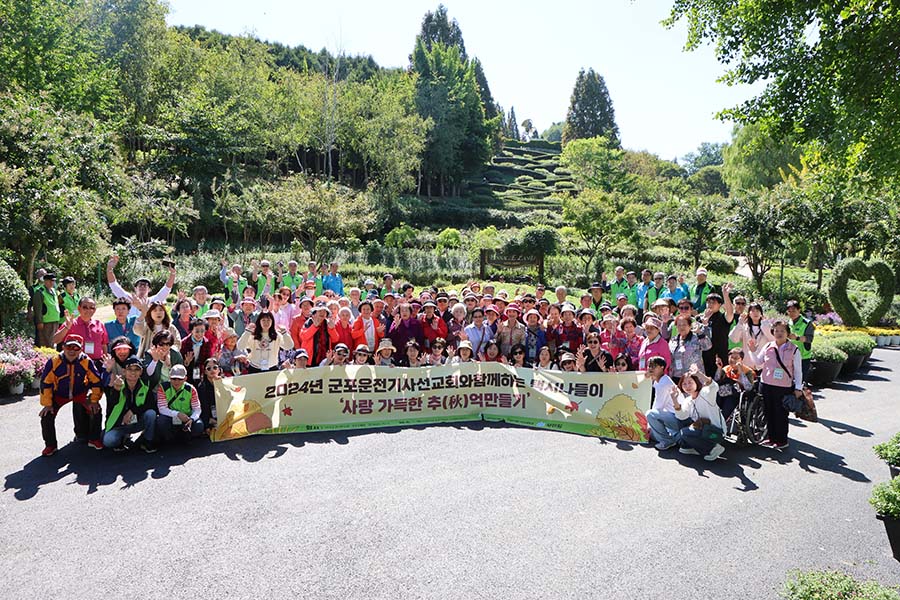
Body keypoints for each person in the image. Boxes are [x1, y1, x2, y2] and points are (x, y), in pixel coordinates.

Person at [38, 334, 105, 455]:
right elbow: (45, 383)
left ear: (81, 349)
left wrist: (94, 400)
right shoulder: (54, 362)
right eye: (69, 347)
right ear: (63, 347)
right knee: (46, 416)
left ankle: (94, 439)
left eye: (76, 348)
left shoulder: (86, 361)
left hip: (81, 393)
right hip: (59, 395)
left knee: (96, 410)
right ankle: (51, 445)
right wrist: (47, 404)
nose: (72, 351)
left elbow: (96, 381)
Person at [750, 320, 806, 450]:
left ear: (787, 333)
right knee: (768, 412)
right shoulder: (768, 346)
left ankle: (782, 440)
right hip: (766, 384)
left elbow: (798, 370)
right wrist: (753, 351)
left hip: (783, 387)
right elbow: (758, 362)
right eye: (776, 331)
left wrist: (798, 387)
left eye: (782, 331)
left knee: (780, 414)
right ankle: (771, 438)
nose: (779, 333)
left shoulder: (794, 349)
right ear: (773, 332)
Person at [102, 356, 157, 453]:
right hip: (121, 424)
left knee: (151, 413)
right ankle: (122, 438)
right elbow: (111, 404)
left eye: (137, 369)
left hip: (138, 422)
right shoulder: (117, 383)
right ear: (124, 371)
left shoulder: (145, 385)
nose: (133, 372)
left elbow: (151, 405)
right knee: (108, 441)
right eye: (129, 369)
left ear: (140, 372)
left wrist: (133, 411)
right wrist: (116, 390)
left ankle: (147, 441)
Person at [673, 365, 726, 461]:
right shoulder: (688, 400)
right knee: (681, 425)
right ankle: (689, 446)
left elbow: (714, 386)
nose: (687, 386)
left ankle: (713, 448)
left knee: (684, 433)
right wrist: (674, 400)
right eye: (684, 384)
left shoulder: (705, 393)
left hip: (716, 433)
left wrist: (699, 374)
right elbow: (681, 416)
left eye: (690, 382)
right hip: (704, 430)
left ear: (696, 382)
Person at [106, 254, 176, 318]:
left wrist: (173, 273)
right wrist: (109, 269)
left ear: (149, 289)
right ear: (135, 289)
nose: (142, 287)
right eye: (140, 285)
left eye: (145, 285)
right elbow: (114, 285)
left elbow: (167, 288)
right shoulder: (128, 299)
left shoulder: (154, 300)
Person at [155, 364, 204, 444]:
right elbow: (162, 408)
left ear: (185, 378)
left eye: (180, 379)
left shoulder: (191, 389)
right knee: (161, 421)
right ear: (169, 378)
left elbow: (197, 408)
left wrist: (191, 419)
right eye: (174, 378)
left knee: (199, 425)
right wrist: (177, 414)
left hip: (187, 418)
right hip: (171, 417)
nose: (176, 381)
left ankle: (186, 436)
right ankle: (171, 439)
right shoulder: (162, 388)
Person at [644, 356, 684, 450]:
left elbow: (658, 408)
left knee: (650, 415)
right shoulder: (659, 380)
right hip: (672, 418)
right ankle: (673, 437)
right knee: (650, 433)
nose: (650, 368)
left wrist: (649, 425)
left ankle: (667, 441)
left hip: (679, 419)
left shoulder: (664, 383)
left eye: (653, 366)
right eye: (649, 366)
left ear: (662, 367)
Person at [52, 297, 108, 363]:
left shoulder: (99, 324)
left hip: (97, 363)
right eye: (85, 307)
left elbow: (104, 344)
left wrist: (105, 359)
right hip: (77, 364)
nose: (88, 310)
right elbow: (55, 340)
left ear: (95, 310)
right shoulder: (71, 323)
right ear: (79, 308)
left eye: (91, 308)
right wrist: (67, 327)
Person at [698, 287, 735, 377]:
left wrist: (725, 294)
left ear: (719, 305)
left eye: (713, 302)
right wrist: (704, 323)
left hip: (720, 357)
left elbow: (730, 312)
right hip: (703, 357)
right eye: (708, 302)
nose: (710, 304)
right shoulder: (699, 318)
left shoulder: (723, 318)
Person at [728, 302, 774, 370]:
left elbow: (773, 339)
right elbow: (734, 339)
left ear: (761, 313)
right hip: (747, 365)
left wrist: (765, 326)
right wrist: (739, 324)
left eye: (758, 311)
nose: (756, 313)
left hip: (763, 365)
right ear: (749, 313)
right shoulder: (744, 327)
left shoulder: (767, 326)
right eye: (753, 311)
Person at [668, 314, 712, 381]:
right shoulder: (673, 341)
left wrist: (700, 333)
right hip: (677, 377)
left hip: (694, 376)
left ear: (690, 326)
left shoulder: (696, 338)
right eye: (679, 325)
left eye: (684, 325)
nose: (682, 327)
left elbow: (708, 346)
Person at [714, 350, 755, 420]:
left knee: (728, 400)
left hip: (737, 396)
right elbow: (716, 381)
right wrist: (719, 368)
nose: (733, 360)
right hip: (722, 394)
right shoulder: (726, 369)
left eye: (736, 358)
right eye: (731, 357)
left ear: (741, 359)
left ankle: (721, 421)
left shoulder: (748, 371)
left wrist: (740, 370)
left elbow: (748, 388)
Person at [786, 299, 815, 383]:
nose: (791, 313)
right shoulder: (788, 322)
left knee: (800, 381)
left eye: (794, 311)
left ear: (799, 310)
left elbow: (809, 339)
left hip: (803, 357)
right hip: (790, 356)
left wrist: (797, 338)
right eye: (789, 311)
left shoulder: (807, 323)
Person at [180, 318, 215, 386]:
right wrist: (186, 363)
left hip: (201, 374)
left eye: (202, 331)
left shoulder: (207, 343)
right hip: (187, 374)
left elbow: (207, 361)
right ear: (191, 331)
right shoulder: (184, 343)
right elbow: (179, 362)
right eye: (197, 331)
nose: (200, 334)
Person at [33, 272, 61, 348]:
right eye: (50, 281)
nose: (52, 283)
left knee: (53, 342)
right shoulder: (39, 292)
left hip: (55, 320)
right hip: (46, 322)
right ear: (45, 281)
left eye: (53, 281)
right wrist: (39, 321)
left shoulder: (54, 291)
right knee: (45, 343)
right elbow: (37, 308)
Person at [197, 358, 221, 432]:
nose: (212, 370)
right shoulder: (202, 387)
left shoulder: (225, 382)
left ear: (219, 370)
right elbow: (203, 406)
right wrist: (208, 422)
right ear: (205, 372)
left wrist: (221, 384)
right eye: (208, 368)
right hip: (209, 416)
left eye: (215, 367)